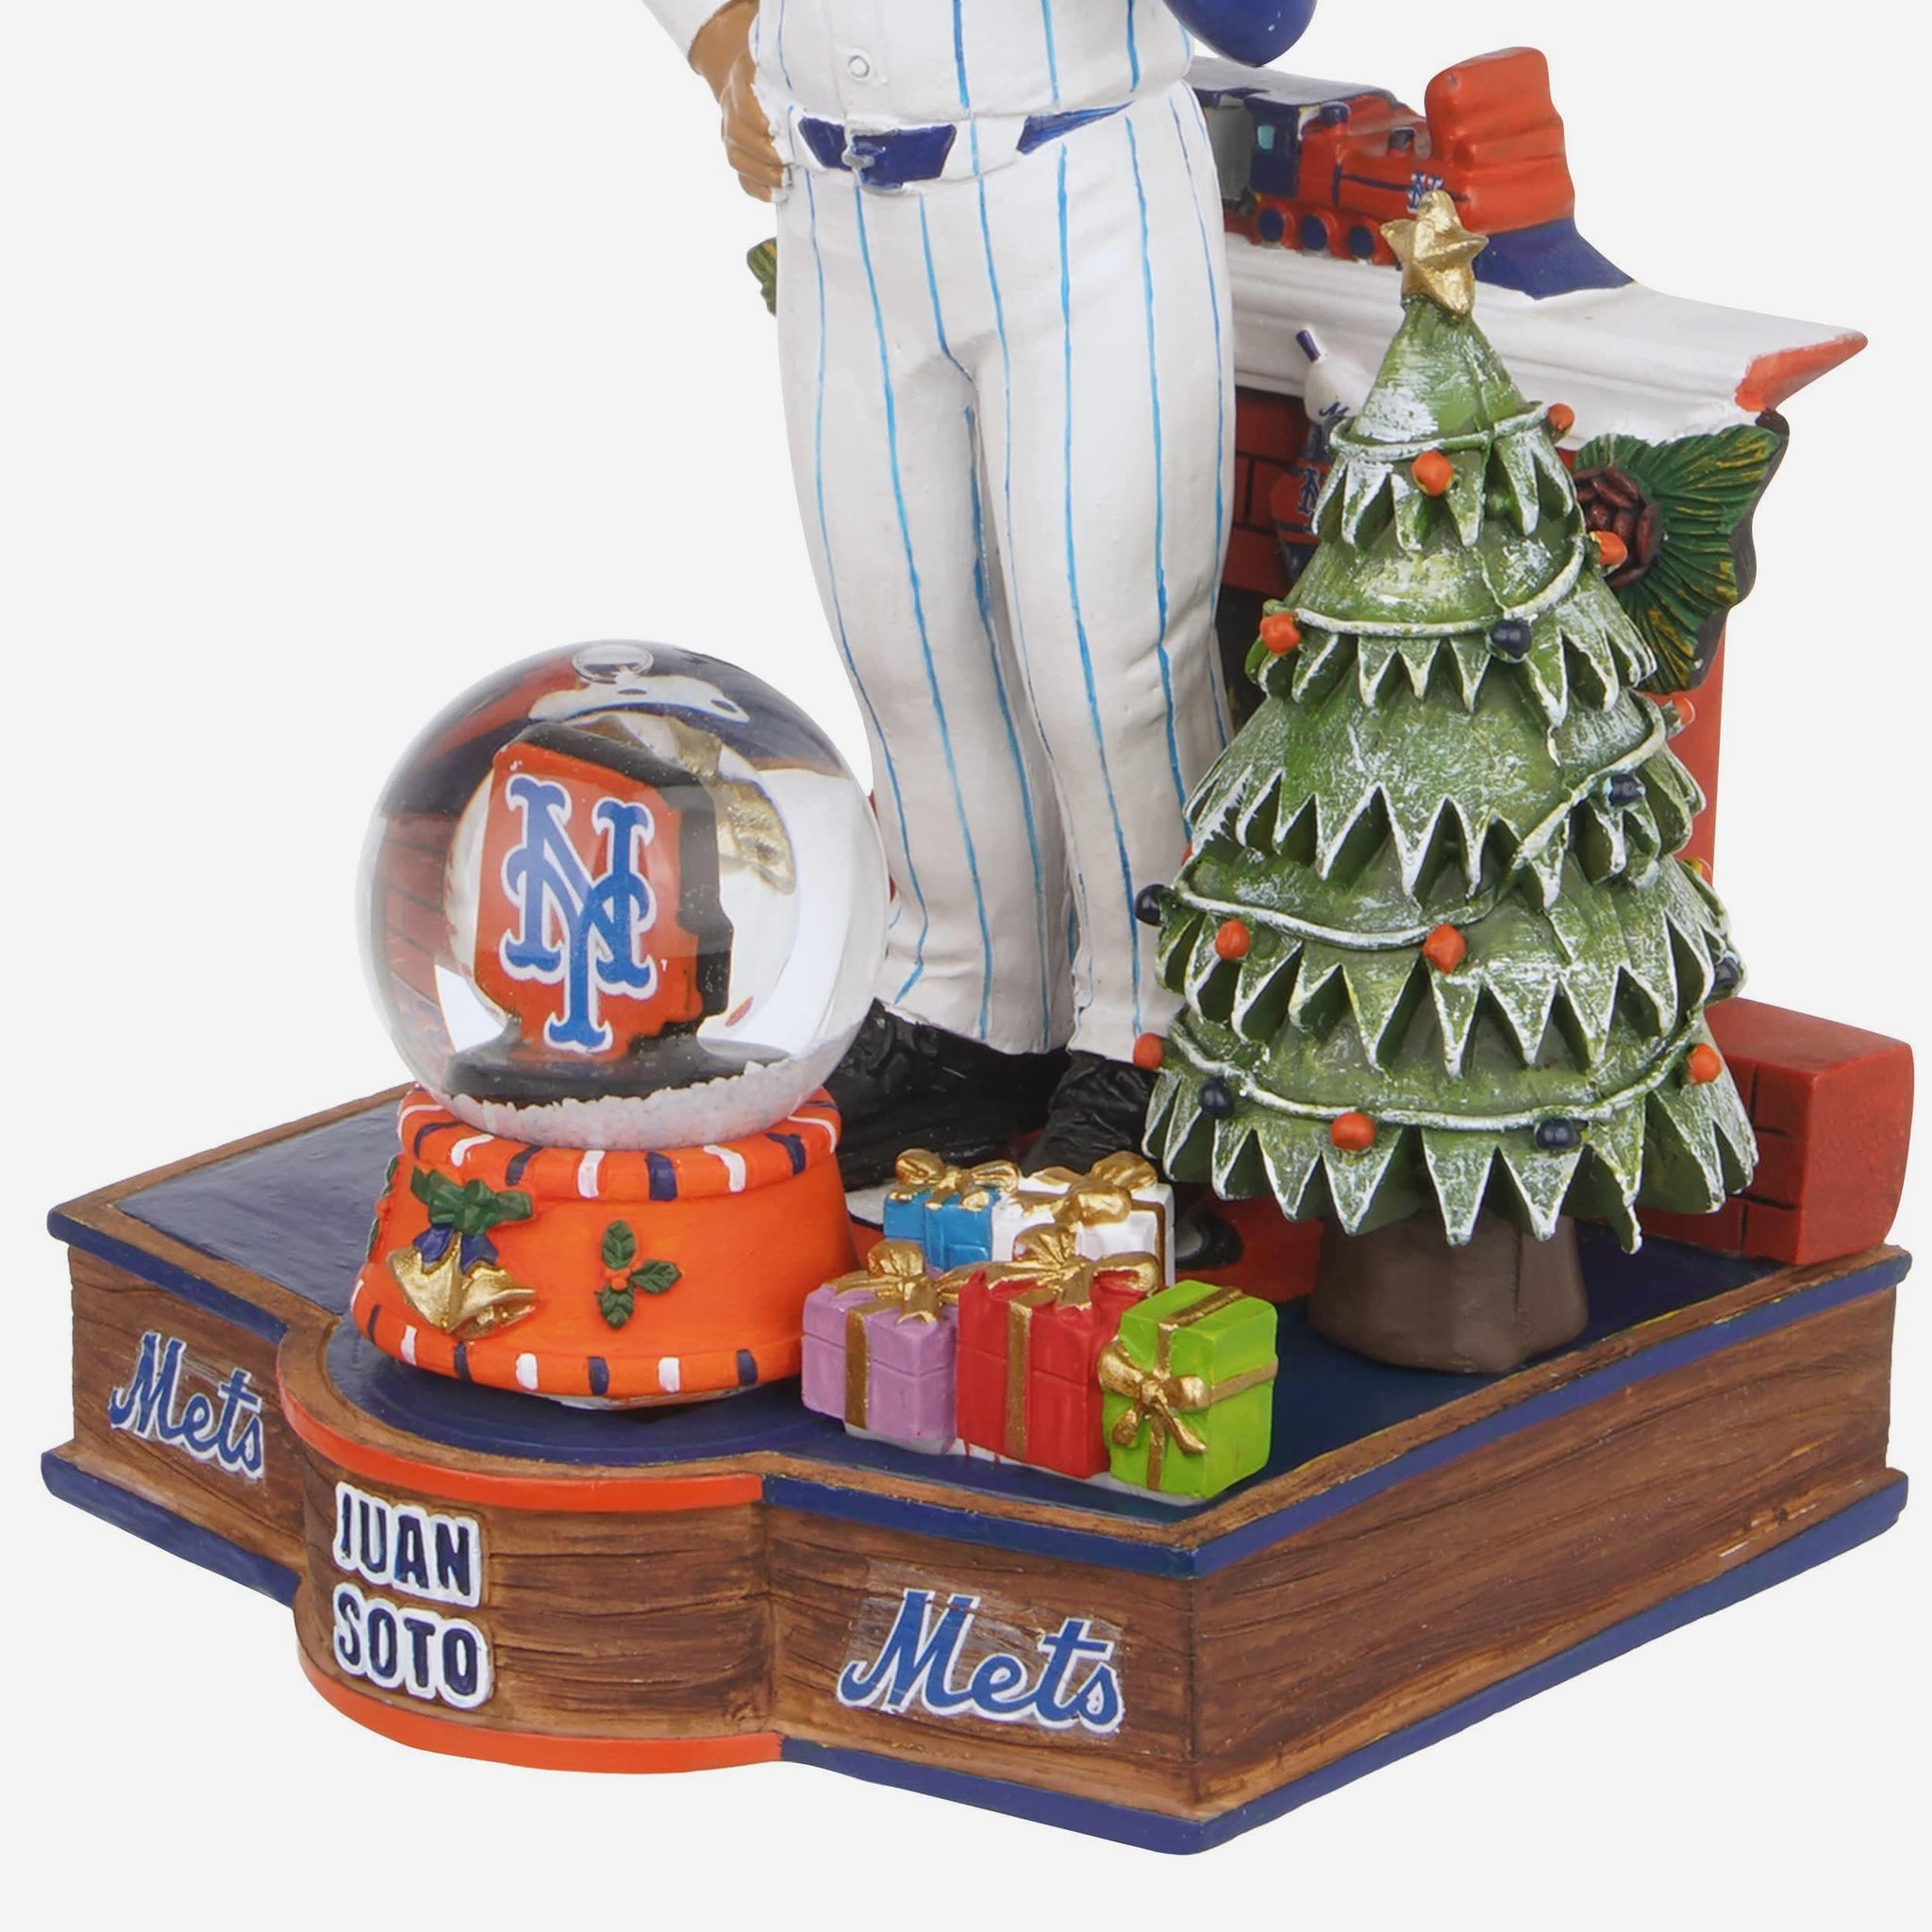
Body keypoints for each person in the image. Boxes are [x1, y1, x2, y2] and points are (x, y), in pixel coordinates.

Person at [642, 3, 1319, 1183]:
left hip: (1071, 181)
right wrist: (718, 33)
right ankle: (962, 1003)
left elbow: (1261, 21)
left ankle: (1159, 1030)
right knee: (903, 641)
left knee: (1104, 661)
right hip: (835, 204)